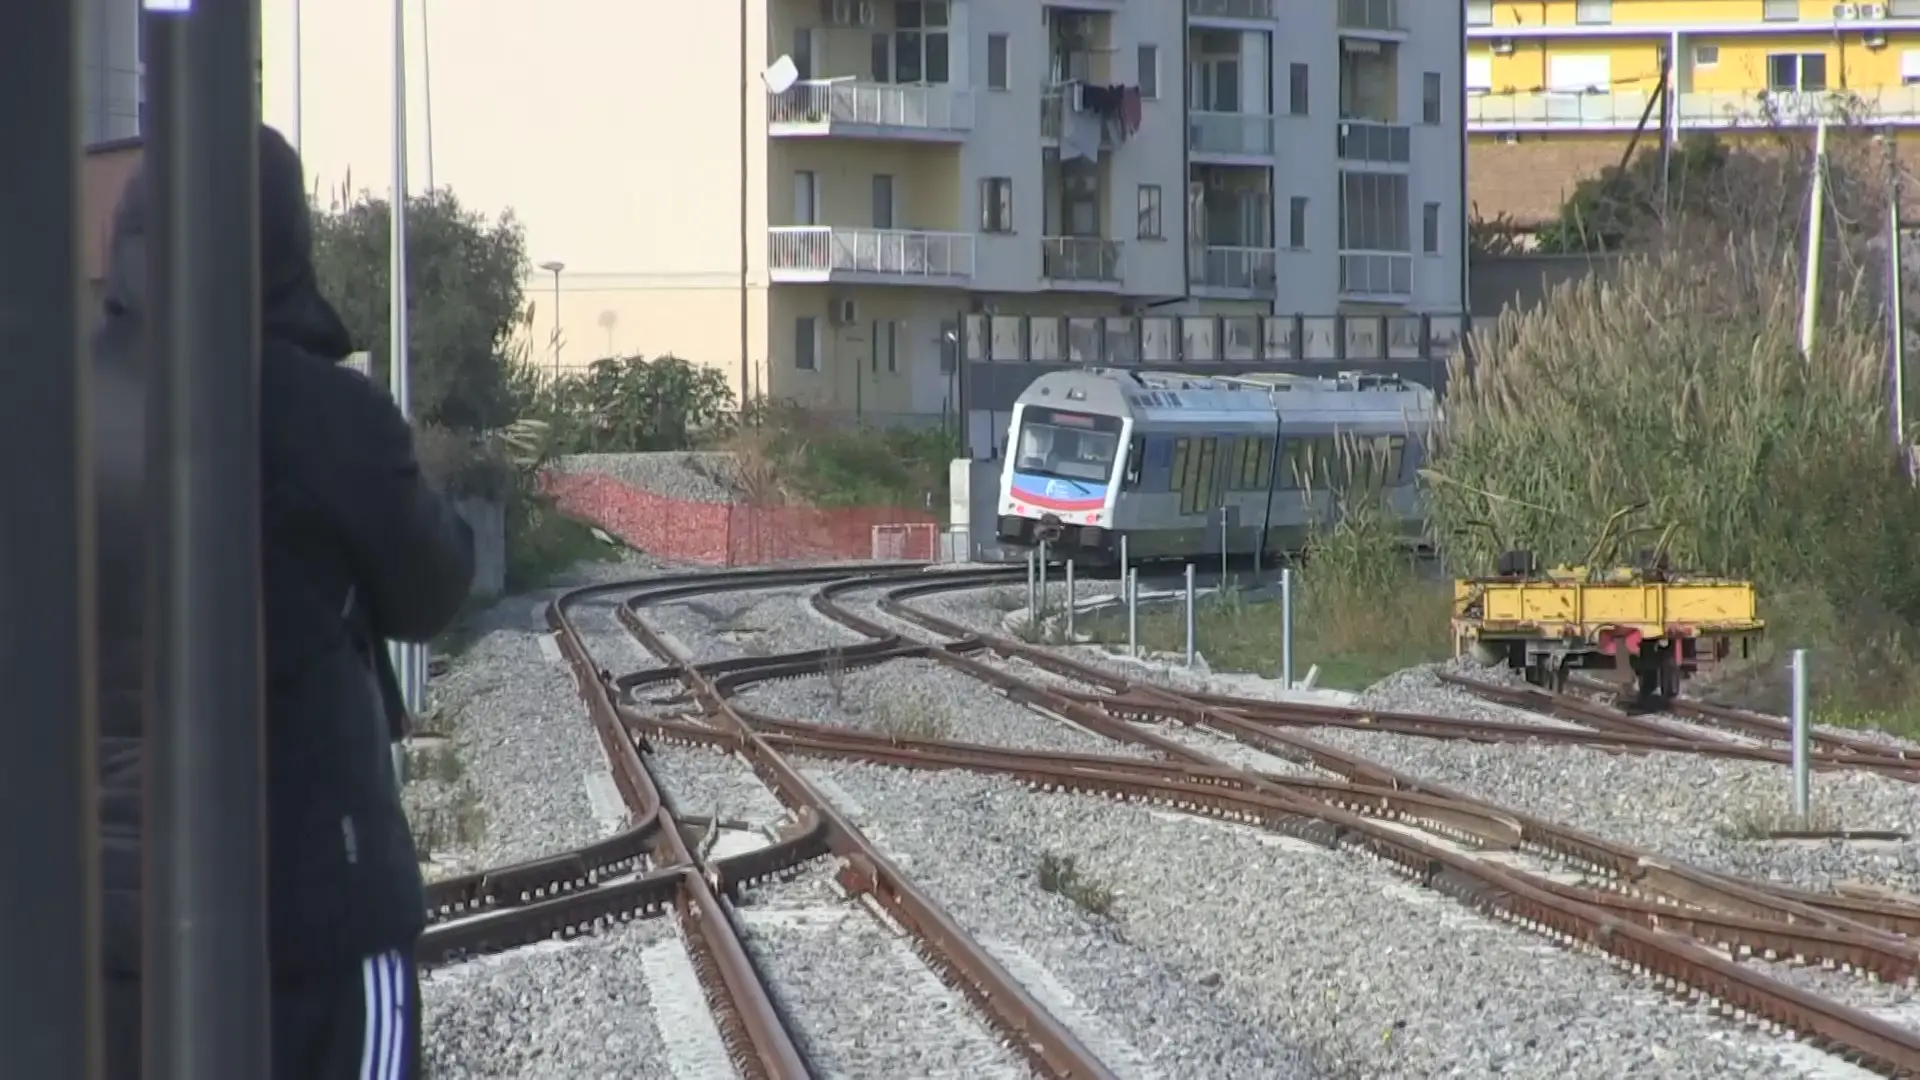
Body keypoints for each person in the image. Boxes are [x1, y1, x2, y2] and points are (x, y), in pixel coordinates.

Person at [93, 124, 475, 1080]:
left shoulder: (50, 407)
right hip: (306, 913)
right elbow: (431, 583)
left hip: (96, 930)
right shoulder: (319, 414)